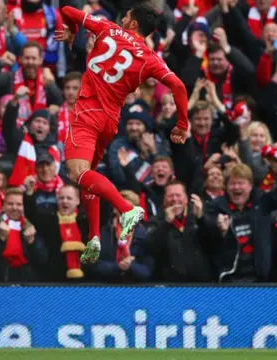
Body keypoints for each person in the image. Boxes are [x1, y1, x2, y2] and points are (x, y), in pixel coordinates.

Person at [53, 2, 190, 263]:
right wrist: (182, 124)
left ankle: (126, 208)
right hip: (109, 122)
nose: (123, 18)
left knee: (77, 174)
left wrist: (71, 32)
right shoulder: (151, 58)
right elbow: (179, 86)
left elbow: (68, 11)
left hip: (87, 115)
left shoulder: (108, 28)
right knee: (90, 174)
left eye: (126, 16)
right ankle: (94, 235)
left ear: (133, 23)